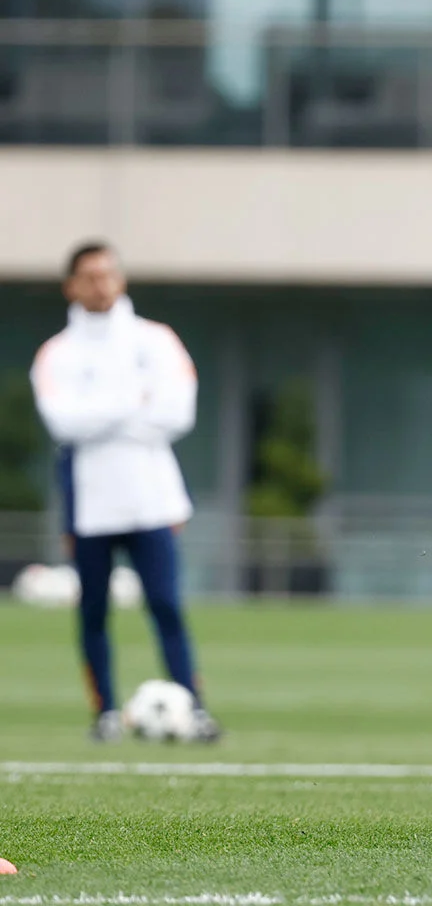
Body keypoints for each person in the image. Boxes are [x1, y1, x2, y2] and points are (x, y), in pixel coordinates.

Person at [30, 242, 219, 743]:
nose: (100, 284)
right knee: (93, 608)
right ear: (72, 285)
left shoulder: (156, 340)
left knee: (166, 604)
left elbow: (178, 413)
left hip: (150, 495)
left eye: (108, 274)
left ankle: (192, 707)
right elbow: (62, 421)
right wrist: (131, 402)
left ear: (121, 279)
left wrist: (100, 415)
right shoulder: (58, 352)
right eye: (89, 276)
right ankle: (106, 712)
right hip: (88, 499)